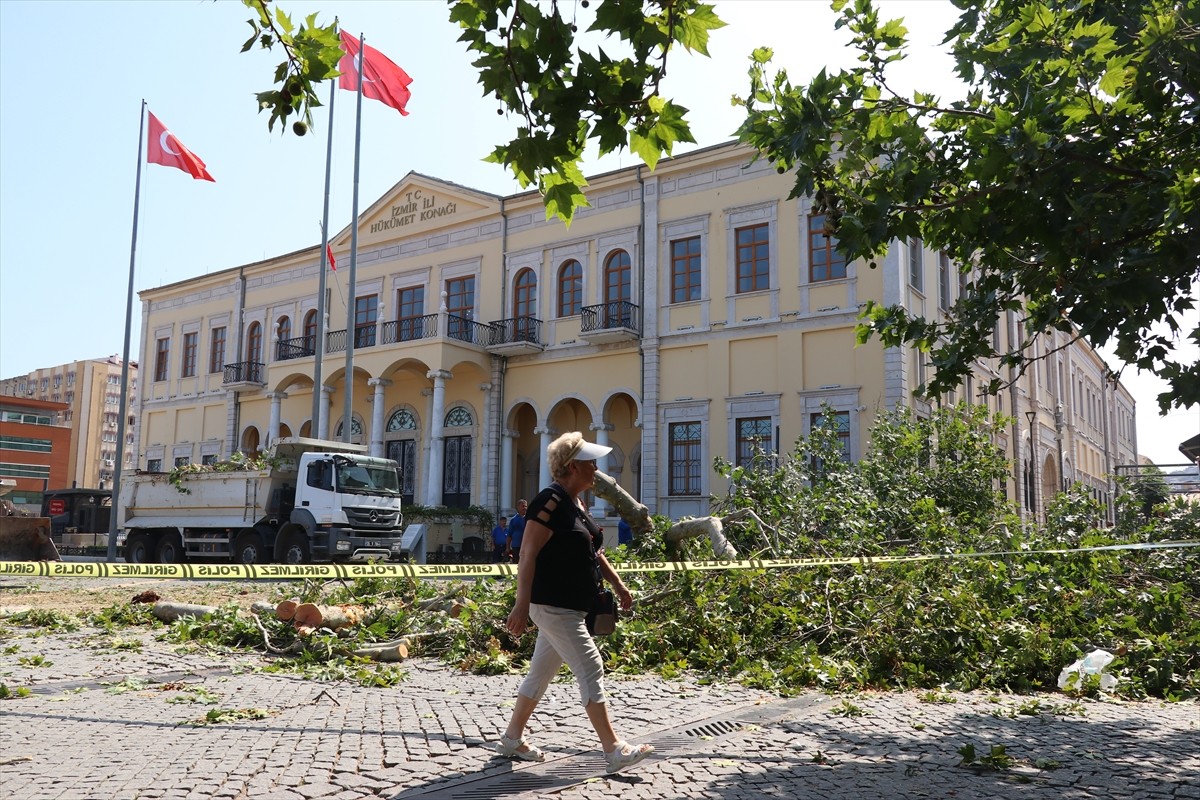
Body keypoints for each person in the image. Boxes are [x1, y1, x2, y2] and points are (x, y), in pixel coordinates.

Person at [498, 432, 654, 774]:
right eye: (590, 462)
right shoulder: (549, 502)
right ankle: (613, 748)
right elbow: (527, 552)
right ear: (571, 467)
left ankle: (511, 739)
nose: (596, 468)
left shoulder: (577, 505)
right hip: (551, 604)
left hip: (571, 605)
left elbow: (594, 552)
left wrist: (619, 584)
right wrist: (521, 604)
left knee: (539, 675)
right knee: (590, 666)